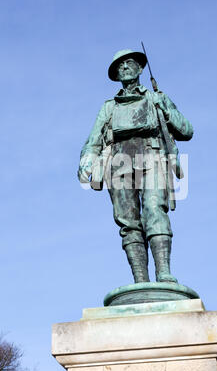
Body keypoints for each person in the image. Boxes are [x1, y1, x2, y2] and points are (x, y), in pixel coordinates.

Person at [78, 49, 193, 284]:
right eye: (119, 66)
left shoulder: (155, 98)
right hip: (118, 163)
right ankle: (140, 280)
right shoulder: (108, 108)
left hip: (152, 156)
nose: (125, 68)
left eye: (129, 63)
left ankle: (164, 273)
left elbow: (186, 130)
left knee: (154, 210)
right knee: (128, 222)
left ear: (140, 69)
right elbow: (93, 141)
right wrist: (86, 161)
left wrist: (167, 110)